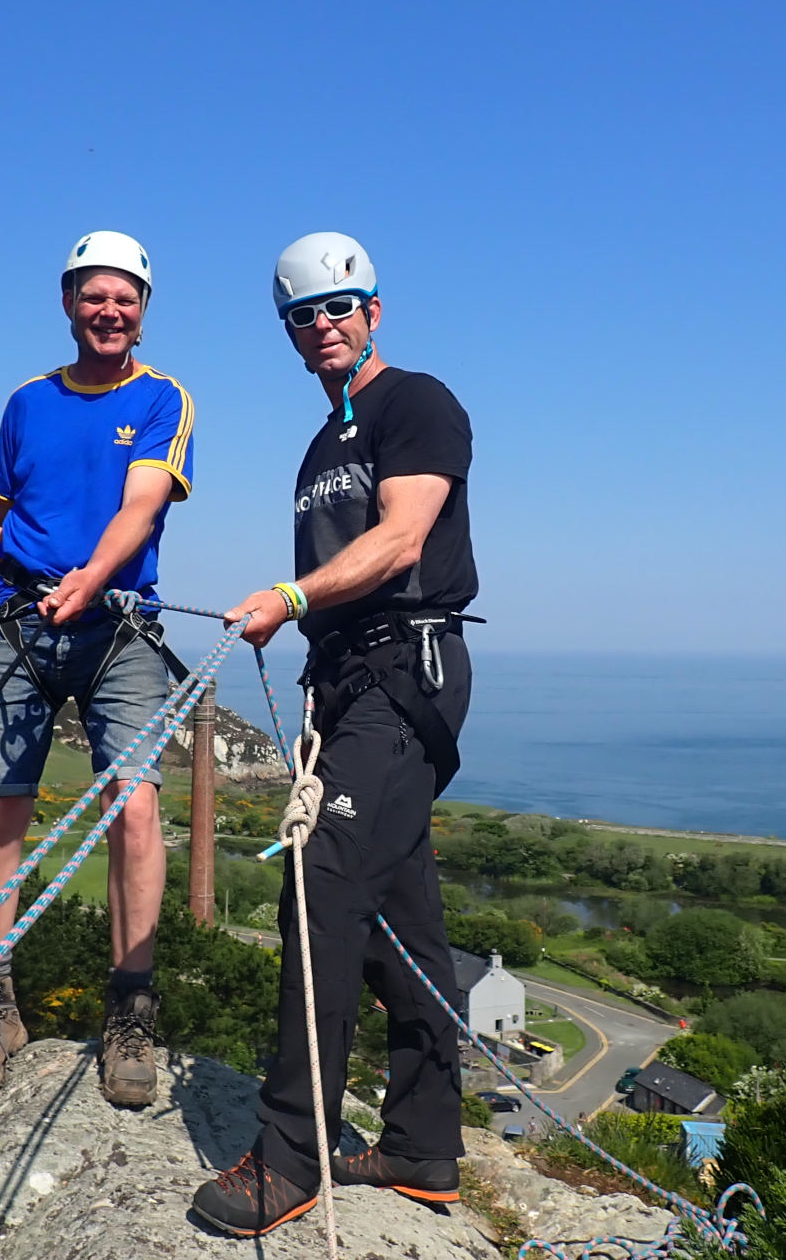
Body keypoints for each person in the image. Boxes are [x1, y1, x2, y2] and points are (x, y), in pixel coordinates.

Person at [192, 232, 479, 1236]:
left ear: (375, 311)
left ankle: (288, 1154)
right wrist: (316, 665)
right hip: (353, 681)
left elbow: (402, 537)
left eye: (338, 306)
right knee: (403, 913)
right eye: (302, 315)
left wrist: (289, 591)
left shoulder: (417, 403)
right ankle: (422, 1143)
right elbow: (341, 583)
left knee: (319, 888)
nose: (321, 324)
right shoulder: (322, 448)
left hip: (408, 672)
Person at [0, 230, 194, 1112]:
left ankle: (131, 1012)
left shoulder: (165, 399)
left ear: (143, 309)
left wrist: (90, 580)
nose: (110, 311)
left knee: (135, 808)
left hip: (117, 622)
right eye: (94, 296)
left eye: (125, 298)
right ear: (67, 304)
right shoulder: (26, 402)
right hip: (18, 618)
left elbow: (143, 504)